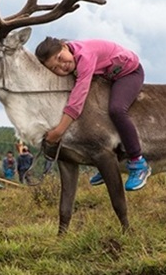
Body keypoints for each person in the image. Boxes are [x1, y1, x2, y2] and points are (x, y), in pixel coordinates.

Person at [35, 37, 150, 192]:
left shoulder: (85, 56)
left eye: (60, 58)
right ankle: (109, 164)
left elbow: (78, 97)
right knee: (97, 113)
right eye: (56, 69)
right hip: (107, 75)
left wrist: (59, 131)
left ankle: (138, 162)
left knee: (116, 110)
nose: (63, 66)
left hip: (128, 73)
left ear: (64, 46)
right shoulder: (73, 57)